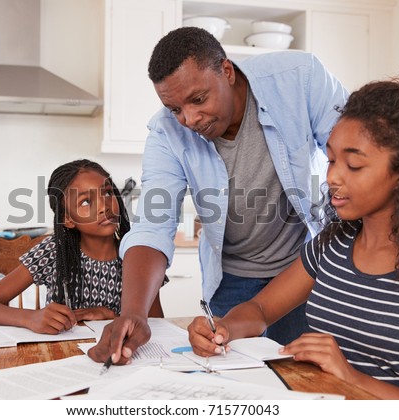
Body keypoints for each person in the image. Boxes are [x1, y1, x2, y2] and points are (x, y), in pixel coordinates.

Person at [187, 59, 399, 400]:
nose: (333, 177)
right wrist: (225, 327)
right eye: (332, 160)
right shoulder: (334, 245)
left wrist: (351, 378)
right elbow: (261, 310)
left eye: (353, 165)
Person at [88, 27, 348, 364]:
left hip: (304, 269)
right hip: (232, 280)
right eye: (175, 109)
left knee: (307, 379)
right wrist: (134, 312)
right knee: (237, 377)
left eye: (198, 100)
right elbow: (153, 225)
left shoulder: (299, 79)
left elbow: (355, 152)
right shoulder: (166, 132)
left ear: (226, 71)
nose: (189, 119)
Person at [0, 159, 164, 334]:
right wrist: (30, 318)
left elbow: (157, 325)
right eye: (86, 201)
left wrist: (112, 316)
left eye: (107, 193)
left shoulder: (138, 253)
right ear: (68, 219)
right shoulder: (53, 252)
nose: (104, 206)